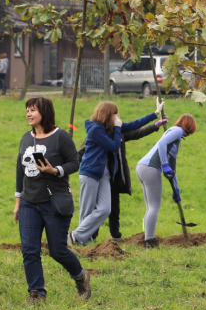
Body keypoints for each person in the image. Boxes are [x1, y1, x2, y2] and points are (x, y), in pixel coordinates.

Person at [14, 97, 89, 303]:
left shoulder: (60, 137)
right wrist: (18, 201)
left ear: (45, 113)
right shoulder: (25, 138)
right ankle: (37, 293)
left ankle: (80, 276)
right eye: (27, 110)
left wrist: (55, 170)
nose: (29, 114)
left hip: (54, 201)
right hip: (29, 201)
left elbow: (75, 163)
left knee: (57, 251)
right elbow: (20, 171)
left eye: (33, 110)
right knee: (30, 250)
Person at [70, 99, 164, 246]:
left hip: (105, 174)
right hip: (90, 173)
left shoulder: (112, 129)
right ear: (107, 115)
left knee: (105, 208)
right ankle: (81, 239)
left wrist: (155, 114)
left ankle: (76, 236)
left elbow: (134, 125)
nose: (118, 115)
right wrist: (118, 128)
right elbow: (114, 146)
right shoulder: (95, 130)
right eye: (116, 113)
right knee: (87, 210)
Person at [137, 114, 197, 248]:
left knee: (150, 206)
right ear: (189, 126)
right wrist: (164, 164)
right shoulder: (177, 130)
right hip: (150, 168)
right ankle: (149, 241)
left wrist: (176, 189)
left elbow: (172, 167)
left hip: (142, 167)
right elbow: (162, 143)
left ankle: (148, 238)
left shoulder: (175, 136)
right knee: (154, 206)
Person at [108, 110, 166, 240]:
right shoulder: (99, 132)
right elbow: (85, 148)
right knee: (101, 208)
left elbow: (137, 130)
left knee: (114, 207)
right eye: (115, 113)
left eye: (118, 113)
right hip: (102, 175)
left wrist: (155, 125)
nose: (118, 115)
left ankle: (115, 235)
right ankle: (89, 235)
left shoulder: (120, 130)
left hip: (116, 175)